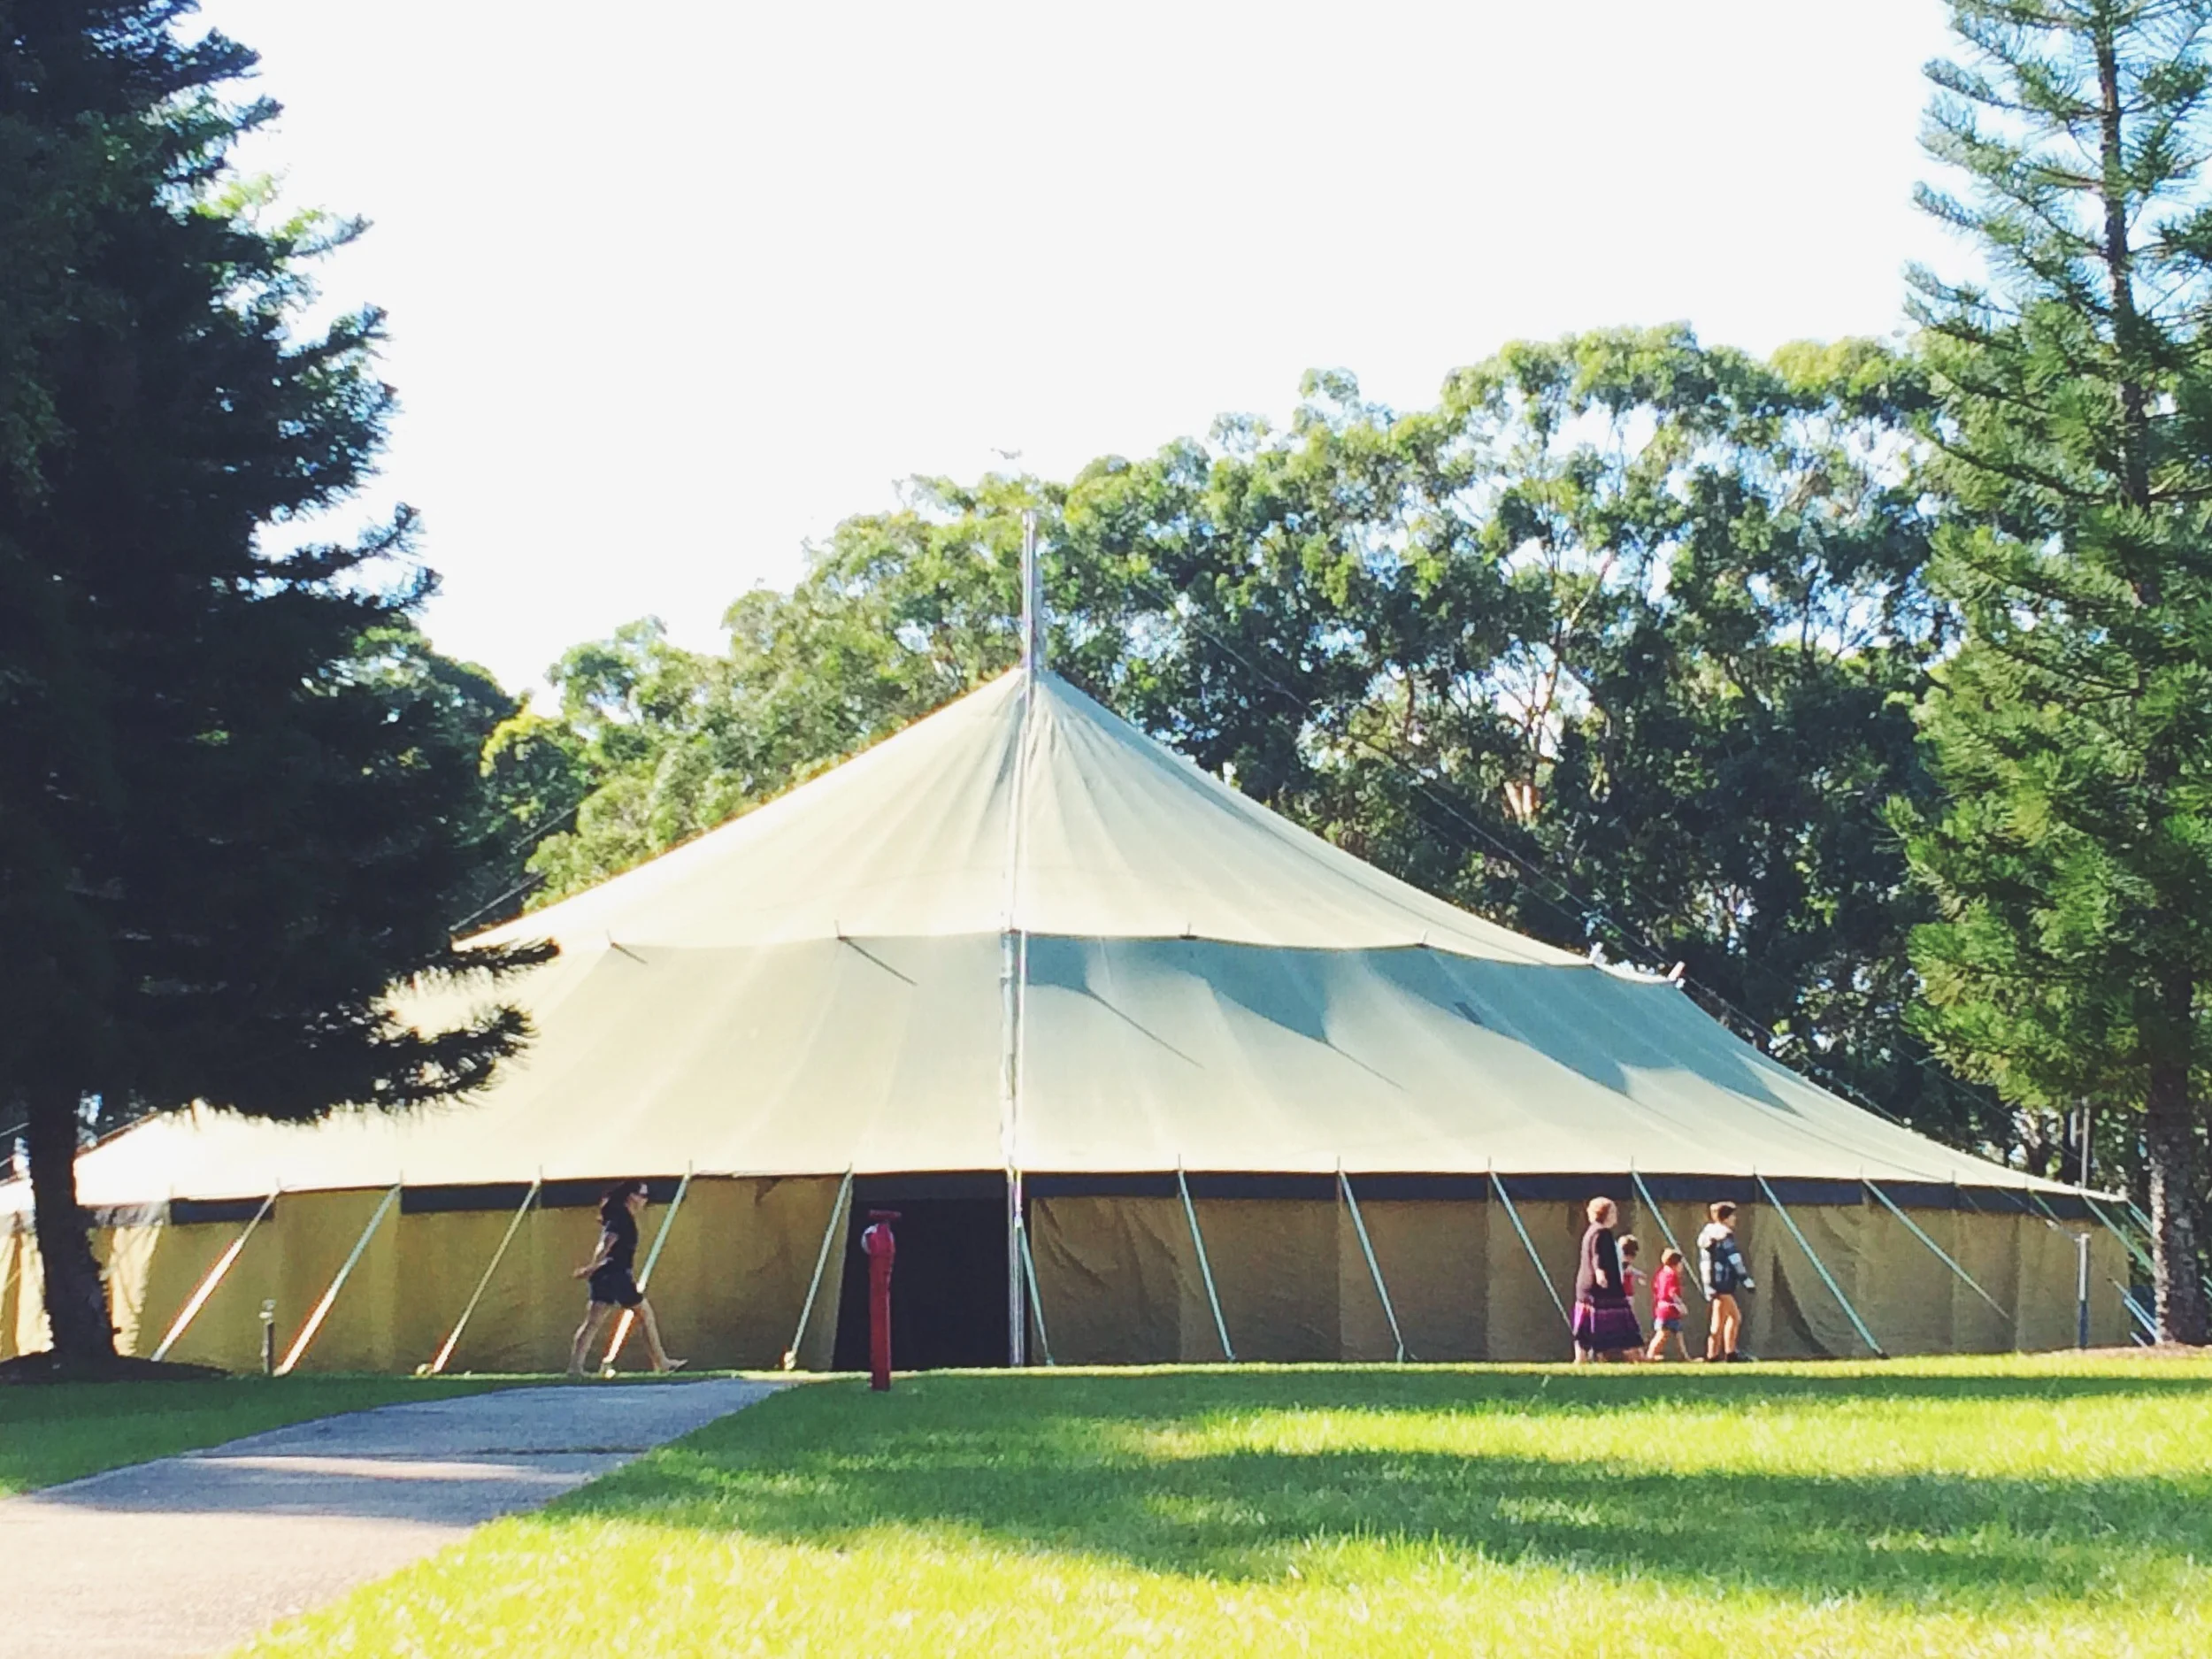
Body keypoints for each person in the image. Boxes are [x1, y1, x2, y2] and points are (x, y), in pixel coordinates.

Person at [567, 1180, 684, 1377]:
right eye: (643, 1195)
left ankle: (575, 1367)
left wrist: (593, 1269)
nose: (645, 1200)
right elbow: (606, 1244)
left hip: (607, 1274)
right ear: (631, 1196)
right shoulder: (621, 1218)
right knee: (644, 1313)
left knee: (593, 1322)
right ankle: (662, 1362)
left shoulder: (620, 1216)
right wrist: (593, 1266)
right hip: (615, 1274)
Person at [1571, 1196, 1643, 1363]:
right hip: (1604, 1288)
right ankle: (1636, 1356)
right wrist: (1600, 1273)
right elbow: (1597, 1254)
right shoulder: (1602, 1233)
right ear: (1605, 1214)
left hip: (1584, 1287)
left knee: (1585, 1326)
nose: (1616, 1215)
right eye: (1613, 1211)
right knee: (1623, 1323)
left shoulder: (1590, 1231)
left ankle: (1580, 1358)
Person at [1698, 1201, 1755, 1363]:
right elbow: (1734, 1258)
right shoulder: (1724, 1236)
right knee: (1732, 1318)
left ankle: (1717, 1354)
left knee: (1724, 1318)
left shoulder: (1708, 1235)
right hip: (1722, 1282)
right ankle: (1726, 1354)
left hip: (1712, 1281)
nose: (1735, 1219)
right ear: (1726, 1217)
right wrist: (1746, 1280)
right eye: (1732, 1216)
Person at [1645, 1246, 1691, 1362]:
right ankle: (1650, 1355)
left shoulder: (1661, 1273)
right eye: (1681, 1264)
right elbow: (1672, 1293)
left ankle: (1685, 1355)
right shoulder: (1672, 1275)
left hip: (1663, 1308)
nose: (1682, 1267)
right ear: (1675, 1264)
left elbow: (1656, 1289)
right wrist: (1680, 1305)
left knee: (1678, 1332)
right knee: (1662, 1334)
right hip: (1668, 1310)